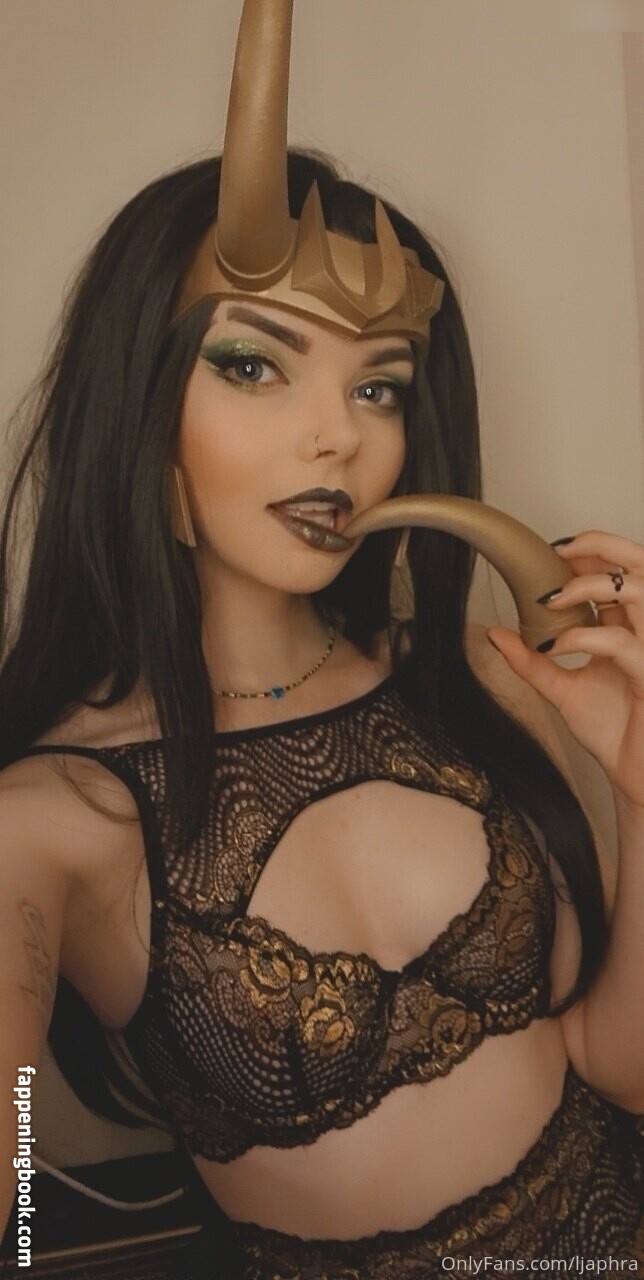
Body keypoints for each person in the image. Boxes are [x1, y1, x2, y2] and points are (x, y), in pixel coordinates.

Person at [1, 1, 643, 1275]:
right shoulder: (54, 819)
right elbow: (14, 1189)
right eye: (253, 364)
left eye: (377, 383)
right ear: (141, 404)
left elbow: (611, 1064)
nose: (337, 434)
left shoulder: (474, 678)